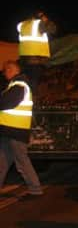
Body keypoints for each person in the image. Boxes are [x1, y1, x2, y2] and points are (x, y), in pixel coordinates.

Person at [0, 60, 44, 196]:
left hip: (15, 132)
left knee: (21, 162)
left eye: (6, 70)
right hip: (10, 131)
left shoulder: (19, 85)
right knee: (3, 161)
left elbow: (6, 103)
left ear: (12, 70)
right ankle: (35, 188)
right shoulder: (15, 85)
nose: (4, 73)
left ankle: (35, 189)